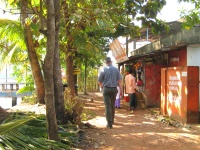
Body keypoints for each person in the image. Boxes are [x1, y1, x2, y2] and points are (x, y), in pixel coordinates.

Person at [98, 57, 122, 129]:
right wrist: (121, 90)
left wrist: (102, 87)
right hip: (114, 89)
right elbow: (120, 81)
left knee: (107, 105)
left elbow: (99, 81)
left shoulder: (103, 70)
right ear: (111, 62)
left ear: (106, 63)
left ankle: (109, 123)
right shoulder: (116, 70)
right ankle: (112, 120)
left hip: (106, 89)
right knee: (112, 105)